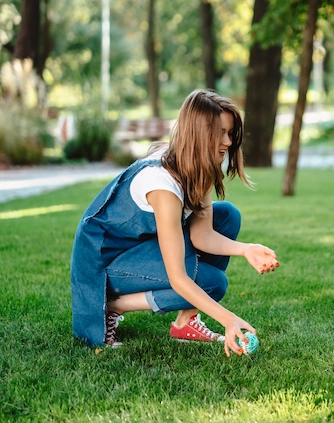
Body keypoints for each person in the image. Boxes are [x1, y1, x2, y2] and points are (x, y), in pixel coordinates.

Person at [70, 89, 279, 357]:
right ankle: (113, 305)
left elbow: (202, 237)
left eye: (230, 133)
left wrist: (246, 248)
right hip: (103, 262)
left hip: (136, 248)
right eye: (222, 133)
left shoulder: (196, 166)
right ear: (200, 134)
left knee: (227, 215)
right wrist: (228, 319)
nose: (228, 142)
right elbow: (177, 277)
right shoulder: (162, 185)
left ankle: (186, 323)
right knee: (212, 283)